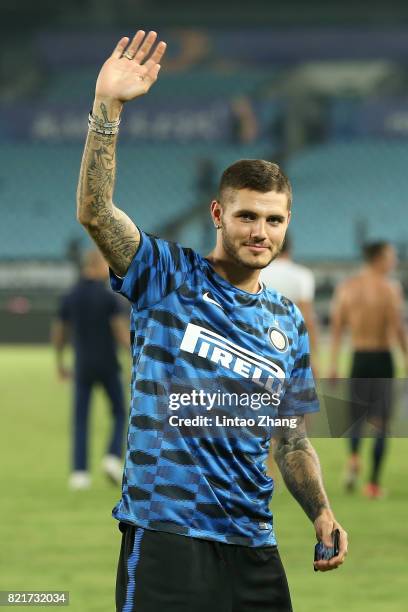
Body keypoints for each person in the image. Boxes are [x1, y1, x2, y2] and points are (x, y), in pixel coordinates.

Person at [76, 30, 348, 611]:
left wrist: (321, 510)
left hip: (254, 544)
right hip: (168, 535)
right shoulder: (166, 273)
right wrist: (108, 108)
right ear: (219, 214)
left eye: (273, 220)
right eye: (247, 216)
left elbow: (291, 437)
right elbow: (95, 213)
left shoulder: (287, 322)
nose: (260, 232)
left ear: (287, 222)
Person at [329, 241, 408, 499]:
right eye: (391, 256)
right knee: (382, 423)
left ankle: (353, 457)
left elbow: (338, 327)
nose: (394, 261)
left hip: (358, 357)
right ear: (379, 258)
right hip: (382, 358)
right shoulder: (390, 288)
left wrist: (332, 363)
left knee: (357, 419)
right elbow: (397, 328)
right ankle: (373, 484)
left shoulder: (347, 288)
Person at [52, 249, 129, 490]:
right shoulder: (109, 298)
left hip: (82, 365)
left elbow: (59, 333)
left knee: (81, 419)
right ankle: (112, 457)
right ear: (100, 265)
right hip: (108, 364)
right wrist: (135, 357)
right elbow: (119, 332)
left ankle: (79, 474)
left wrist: (60, 363)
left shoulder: (70, 296)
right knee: (119, 412)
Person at [260, 233, 319, 374]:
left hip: (261, 346)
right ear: (290, 248)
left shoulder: (257, 273)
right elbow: (307, 319)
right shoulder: (302, 275)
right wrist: (313, 358)